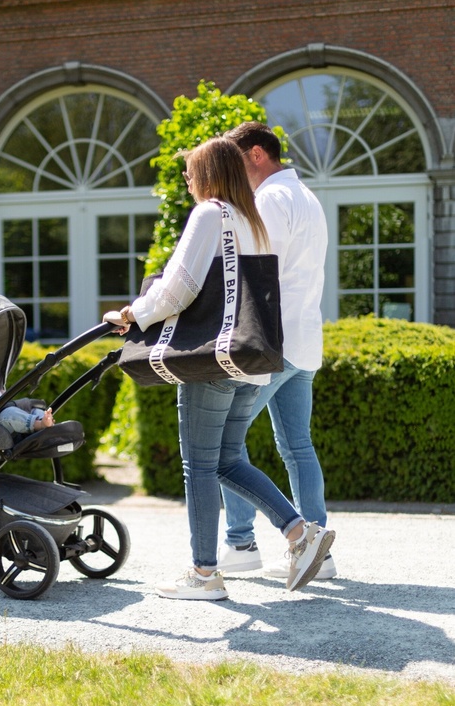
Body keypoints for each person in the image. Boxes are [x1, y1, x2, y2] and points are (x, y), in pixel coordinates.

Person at [104, 134, 335, 600]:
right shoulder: (253, 217)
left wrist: (132, 314)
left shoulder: (211, 213)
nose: (187, 181)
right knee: (228, 458)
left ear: (207, 174)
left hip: (211, 358)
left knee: (200, 464)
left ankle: (205, 573)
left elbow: (179, 287)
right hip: (251, 359)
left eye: (190, 172)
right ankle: (300, 533)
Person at [218, 122, 336, 581]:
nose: (233, 171)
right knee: (298, 447)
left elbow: (256, 273)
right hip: (305, 341)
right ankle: (319, 554)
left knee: (228, 441)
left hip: (272, 344)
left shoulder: (268, 199)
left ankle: (241, 543)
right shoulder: (307, 197)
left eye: (236, 160)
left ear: (256, 154)